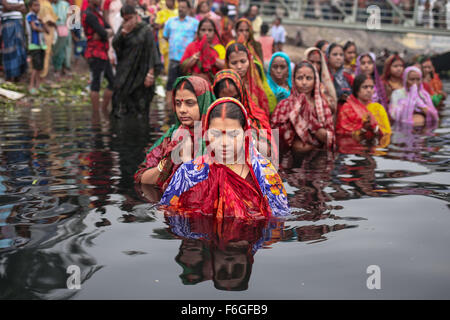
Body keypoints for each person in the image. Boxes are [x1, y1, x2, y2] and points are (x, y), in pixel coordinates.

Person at [160, 97, 290, 218]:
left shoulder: (264, 171)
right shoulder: (190, 172)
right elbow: (167, 210)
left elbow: (279, 216)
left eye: (233, 134)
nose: (224, 142)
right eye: (215, 134)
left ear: (245, 134)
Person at [134, 76, 215, 189]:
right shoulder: (172, 136)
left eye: (189, 103)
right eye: (178, 103)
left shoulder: (219, 139)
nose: (182, 110)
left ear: (203, 103)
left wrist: (187, 160)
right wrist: (167, 163)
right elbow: (140, 177)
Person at [271, 61, 335, 153]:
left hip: (319, 158)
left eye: (308, 78)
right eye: (300, 78)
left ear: (315, 80)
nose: (304, 82)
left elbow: (331, 138)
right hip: (290, 157)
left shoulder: (323, 106)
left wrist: (313, 127)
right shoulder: (284, 105)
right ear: (293, 80)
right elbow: (274, 136)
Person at [111, 5, 162, 118]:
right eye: (125, 19)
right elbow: (116, 45)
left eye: (130, 18)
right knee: (122, 106)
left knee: (140, 109)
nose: (128, 22)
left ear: (136, 16)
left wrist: (150, 73)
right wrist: (123, 34)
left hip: (141, 74)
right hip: (125, 74)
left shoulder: (145, 30)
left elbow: (152, 52)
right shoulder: (123, 29)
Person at [212, 69, 272, 156]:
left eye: (236, 97)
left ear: (242, 93)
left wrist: (245, 140)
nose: (232, 103)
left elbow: (268, 152)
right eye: (225, 99)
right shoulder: (210, 119)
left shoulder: (256, 117)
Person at [163, 0, 199, 106]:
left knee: (188, 85)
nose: (180, 9)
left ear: (188, 9)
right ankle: (169, 109)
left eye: (183, 7)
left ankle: (189, 107)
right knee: (171, 84)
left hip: (188, 60)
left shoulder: (194, 23)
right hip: (174, 58)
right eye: (179, 6)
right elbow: (165, 36)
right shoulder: (170, 22)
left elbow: (197, 38)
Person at [225, 42, 276, 116]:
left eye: (243, 61)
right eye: (234, 63)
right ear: (227, 64)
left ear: (249, 60)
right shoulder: (223, 85)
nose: (239, 66)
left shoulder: (256, 81)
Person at [336, 74, 389, 145]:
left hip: (375, 148)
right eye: (365, 87)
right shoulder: (347, 108)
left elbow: (386, 133)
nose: (369, 90)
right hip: (353, 148)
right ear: (357, 90)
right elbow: (341, 132)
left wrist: (374, 127)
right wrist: (363, 129)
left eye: (371, 87)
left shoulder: (378, 108)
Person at [82, 0, 114, 111]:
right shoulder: (89, 15)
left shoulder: (97, 14)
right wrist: (105, 33)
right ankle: (96, 114)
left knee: (112, 82)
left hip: (102, 53)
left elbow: (109, 30)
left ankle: (103, 110)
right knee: (96, 83)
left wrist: (106, 33)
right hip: (95, 53)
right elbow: (104, 33)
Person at [180, 17, 225, 84]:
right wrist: (195, 57)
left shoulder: (219, 48)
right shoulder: (192, 46)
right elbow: (183, 67)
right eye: (203, 30)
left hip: (213, 85)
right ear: (198, 32)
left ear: (214, 33)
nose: (206, 33)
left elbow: (225, 67)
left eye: (210, 30)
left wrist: (210, 56)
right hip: (193, 84)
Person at [304, 47, 337, 115]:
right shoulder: (298, 82)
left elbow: (333, 107)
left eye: (318, 63)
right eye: (311, 62)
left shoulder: (324, 85)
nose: (315, 66)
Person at [25, 0, 48, 95]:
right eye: (35, 6)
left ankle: (38, 85)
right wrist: (42, 29)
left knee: (39, 67)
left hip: (41, 45)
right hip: (34, 45)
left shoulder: (38, 18)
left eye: (38, 6)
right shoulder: (29, 16)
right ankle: (31, 86)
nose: (37, 8)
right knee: (35, 67)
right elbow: (34, 28)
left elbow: (47, 31)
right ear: (30, 7)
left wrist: (43, 23)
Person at [1, 0, 27, 82]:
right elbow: (6, 7)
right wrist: (18, 6)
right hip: (7, 22)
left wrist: (10, 7)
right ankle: (10, 76)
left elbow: (24, 9)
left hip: (18, 23)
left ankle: (18, 76)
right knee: (10, 49)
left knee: (20, 49)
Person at [155, 0, 177, 74]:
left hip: (174, 39)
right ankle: (165, 72)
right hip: (163, 39)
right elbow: (156, 25)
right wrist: (163, 24)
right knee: (164, 56)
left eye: (170, 1)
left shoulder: (177, 12)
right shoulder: (161, 13)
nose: (169, 2)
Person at [51, 0, 70, 80]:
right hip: (53, 30)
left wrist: (66, 26)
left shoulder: (65, 4)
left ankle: (64, 68)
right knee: (56, 49)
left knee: (64, 49)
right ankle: (57, 69)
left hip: (64, 29)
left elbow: (68, 16)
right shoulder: (50, 5)